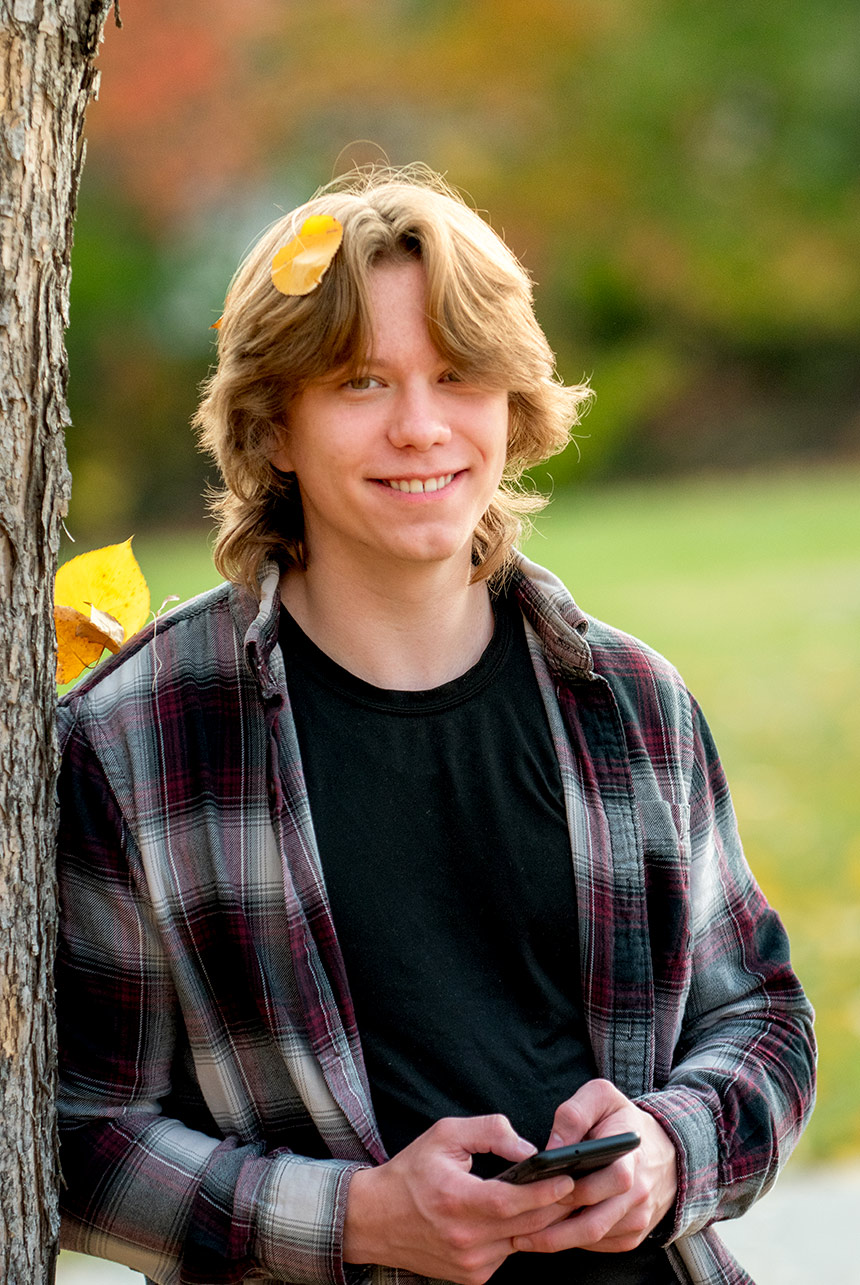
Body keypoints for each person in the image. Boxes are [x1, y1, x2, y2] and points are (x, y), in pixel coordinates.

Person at [55, 166, 816, 1285]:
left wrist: (663, 1149)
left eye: (457, 375)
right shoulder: (137, 739)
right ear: (274, 427)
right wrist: (355, 1216)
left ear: (510, 405)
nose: (420, 428)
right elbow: (80, 1131)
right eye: (360, 382)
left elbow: (759, 1019)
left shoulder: (630, 700)